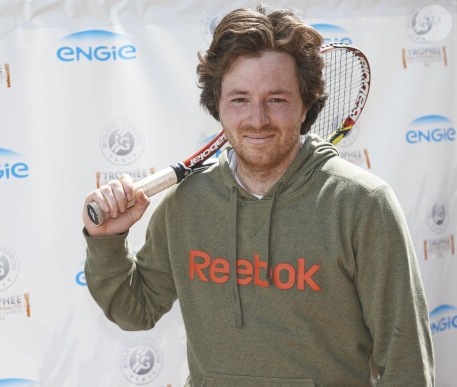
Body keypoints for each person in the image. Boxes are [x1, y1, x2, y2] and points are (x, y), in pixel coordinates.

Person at [82, 4, 434, 386]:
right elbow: (135, 311)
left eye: (277, 99)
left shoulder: (363, 205)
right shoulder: (185, 204)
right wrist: (107, 242)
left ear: (306, 105)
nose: (258, 118)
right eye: (240, 99)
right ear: (217, 105)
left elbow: (406, 365)